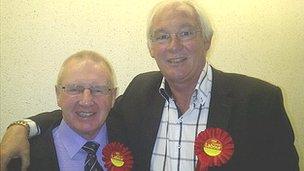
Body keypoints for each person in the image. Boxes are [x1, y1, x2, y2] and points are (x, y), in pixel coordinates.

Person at [0, 1, 299, 171]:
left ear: (207, 40)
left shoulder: (259, 102)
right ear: (150, 48)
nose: (174, 46)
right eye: (162, 36)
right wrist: (22, 126)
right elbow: (87, 112)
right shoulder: (141, 93)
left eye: (186, 33)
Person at [5, 50, 117, 171]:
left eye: (98, 90)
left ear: (113, 96)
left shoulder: (132, 138)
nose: (86, 101)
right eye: (74, 89)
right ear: (58, 94)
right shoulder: (20, 156)